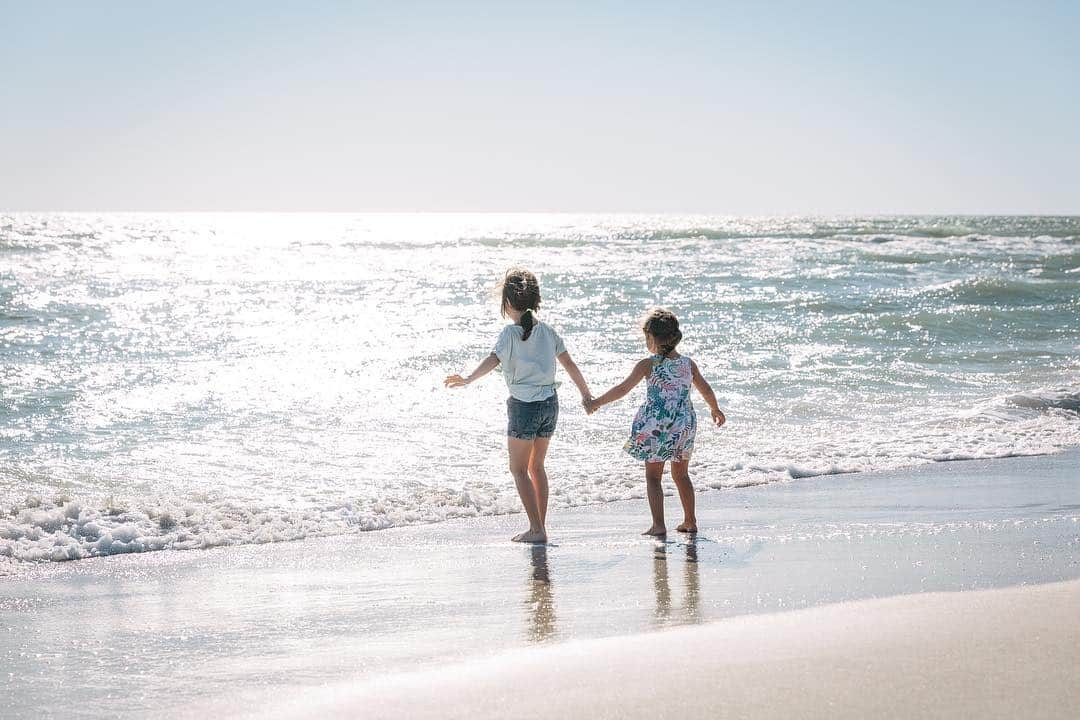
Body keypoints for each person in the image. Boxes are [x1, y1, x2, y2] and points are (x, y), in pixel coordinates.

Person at [445, 267, 592, 543]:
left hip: (524, 407)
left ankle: (537, 529)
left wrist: (467, 379)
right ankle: (540, 527)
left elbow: (492, 360)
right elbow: (569, 364)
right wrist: (586, 395)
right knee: (537, 467)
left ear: (508, 303)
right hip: (550, 404)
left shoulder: (509, 334)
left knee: (518, 470)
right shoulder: (548, 331)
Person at [586, 308, 725, 536]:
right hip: (684, 425)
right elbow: (706, 388)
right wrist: (715, 409)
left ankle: (658, 525)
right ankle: (690, 521)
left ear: (651, 338)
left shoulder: (648, 365)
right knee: (681, 474)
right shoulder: (688, 364)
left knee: (653, 477)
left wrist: (596, 402)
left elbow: (622, 389)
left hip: (656, 427)